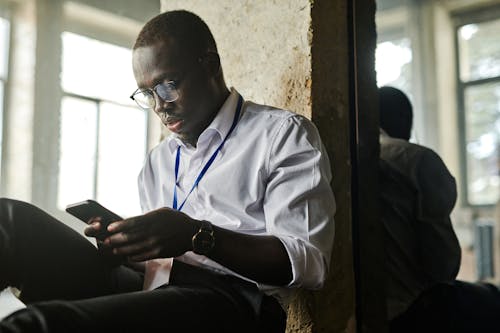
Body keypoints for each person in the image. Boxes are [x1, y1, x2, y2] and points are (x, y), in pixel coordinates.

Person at [0, 10, 335, 333]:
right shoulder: (159, 160)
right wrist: (130, 245)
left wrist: (196, 235)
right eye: (147, 93)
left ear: (211, 65)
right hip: (155, 286)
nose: (160, 105)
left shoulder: (280, 134)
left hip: (233, 304)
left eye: (167, 86)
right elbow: (158, 265)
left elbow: (309, 263)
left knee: (38, 324)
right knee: (10, 222)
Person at [377, 86, 461, 322]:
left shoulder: (345, 154)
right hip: (410, 310)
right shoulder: (416, 159)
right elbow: (443, 263)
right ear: (405, 119)